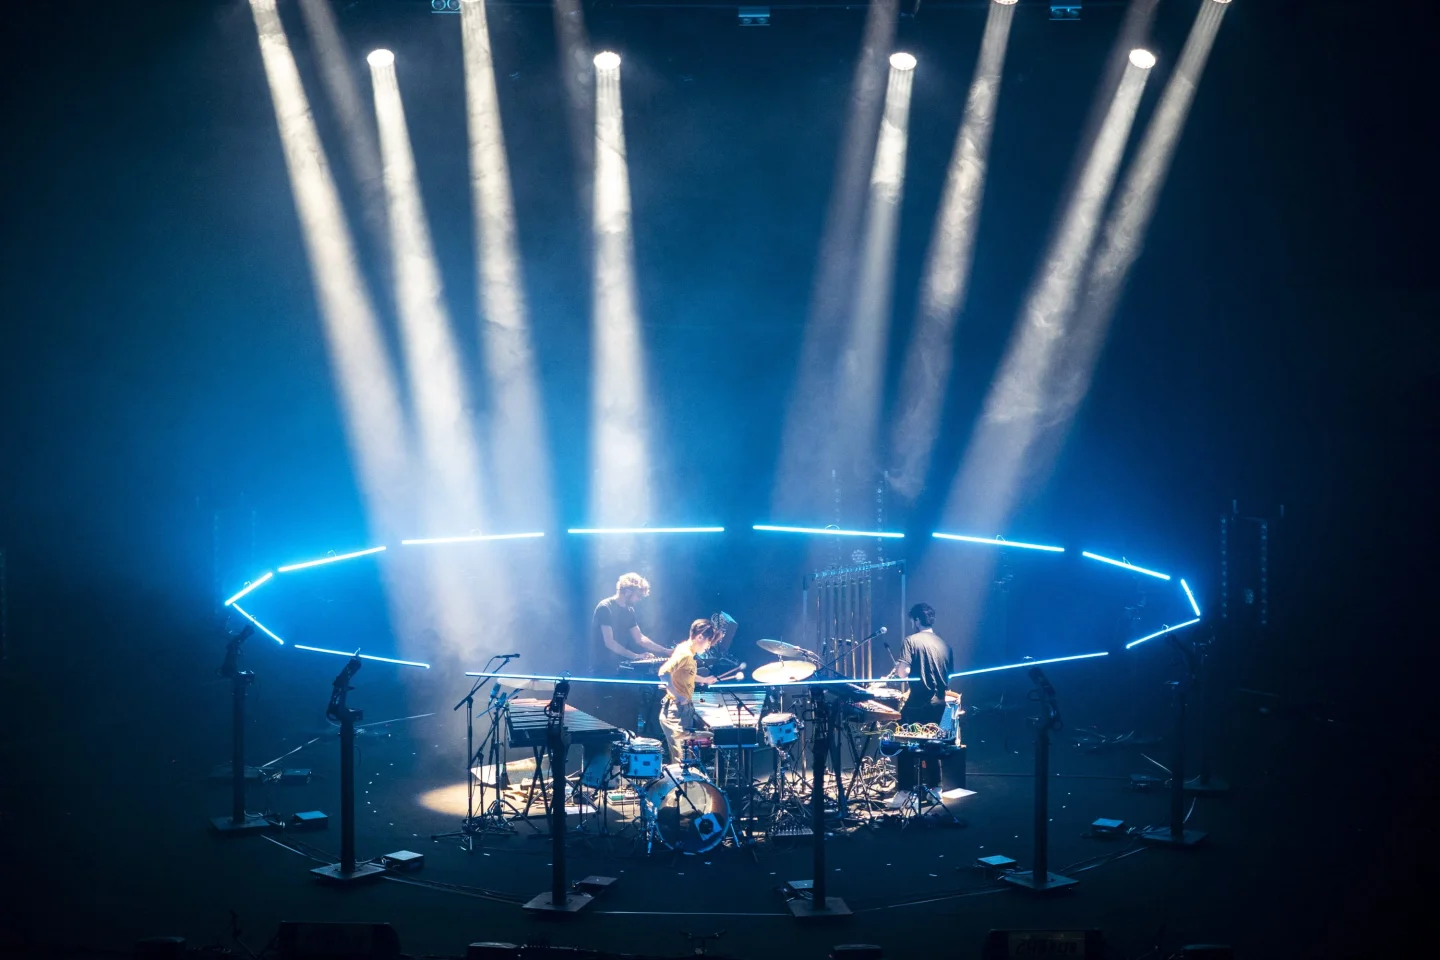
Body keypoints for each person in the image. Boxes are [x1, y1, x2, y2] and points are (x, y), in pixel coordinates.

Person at [590, 573, 670, 731]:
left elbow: (640, 638)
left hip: (619, 670)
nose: (639, 599)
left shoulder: (629, 611)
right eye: (638, 595)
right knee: (606, 717)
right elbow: (610, 643)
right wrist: (636, 656)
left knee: (627, 713)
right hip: (603, 670)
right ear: (627, 591)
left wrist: (666, 651)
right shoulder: (605, 608)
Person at [656, 618, 722, 762]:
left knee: (686, 758)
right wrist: (678, 696)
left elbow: (686, 673)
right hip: (675, 712)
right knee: (682, 760)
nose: (708, 647)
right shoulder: (684, 653)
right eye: (708, 642)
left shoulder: (687, 650)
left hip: (683, 710)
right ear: (699, 637)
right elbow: (663, 673)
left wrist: (704, 680)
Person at [893, 602, 953, 726]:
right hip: (940, 707)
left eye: (912, 622)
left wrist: (898, 668)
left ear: (917, 620)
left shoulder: (910, 641)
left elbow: (903, 673)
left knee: (901, 734)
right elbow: (949, 677)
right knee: (935, 743)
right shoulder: (946, 646)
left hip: (918, 707)